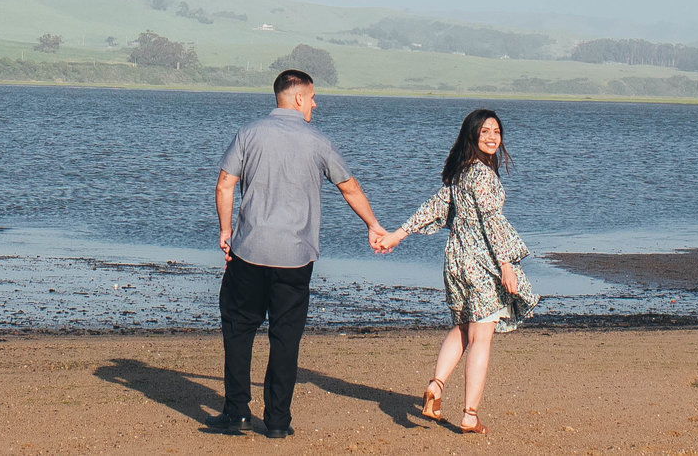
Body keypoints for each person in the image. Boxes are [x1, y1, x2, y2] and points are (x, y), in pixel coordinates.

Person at [210, 67, 392, 438]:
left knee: (239, 330)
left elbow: (225, 185)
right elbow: (350, 188)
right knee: (285, 337)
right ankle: (277, 421)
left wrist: (226, 231)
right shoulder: (318, 141)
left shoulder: (249, 133)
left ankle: (238, 411)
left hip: (249, 251)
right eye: (312, 97)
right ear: (296, 98)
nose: (315, 103)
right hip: (296, 257)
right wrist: (373, 225)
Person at [375, 107, 536, 435]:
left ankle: (435, 388)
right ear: (472, 135)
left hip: (455, 261)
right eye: (485, 132)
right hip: (480, 263)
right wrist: (506, 265)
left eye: (496, 131)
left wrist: (396, 235)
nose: (492, 137)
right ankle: (470, 415)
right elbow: (492, 221)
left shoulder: (461, 172)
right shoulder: (482, 175)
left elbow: (433, 207)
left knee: (463, 329)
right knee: (481, 337)